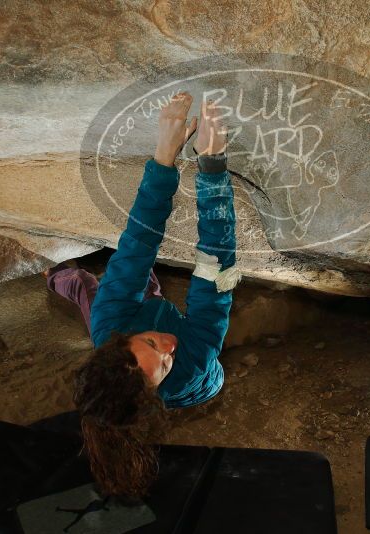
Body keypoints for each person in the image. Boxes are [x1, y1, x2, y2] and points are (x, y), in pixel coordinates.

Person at [43, 91, 239, 499]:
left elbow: (139, 241)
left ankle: (54, 276)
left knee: (87, 285)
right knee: (137, 284)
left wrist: (164, 156)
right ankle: (137, 320)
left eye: (152, 344)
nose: (170, 344)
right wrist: (212, 167)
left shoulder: (109, 320)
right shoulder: (192, 362)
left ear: (115, 342)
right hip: (202, 383)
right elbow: (215, 264)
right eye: (164, 362)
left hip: (133, 311)